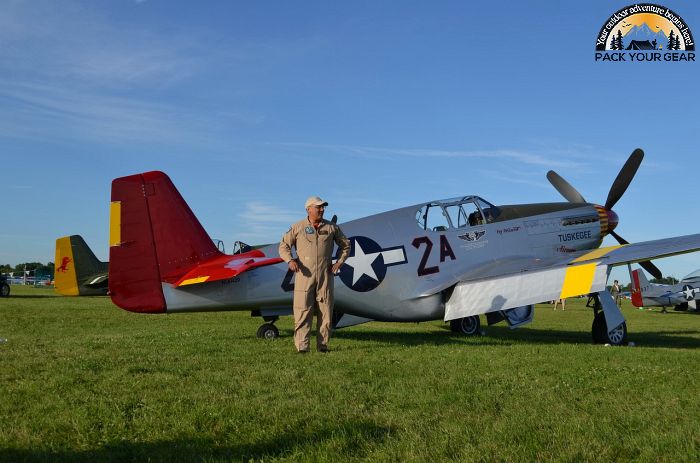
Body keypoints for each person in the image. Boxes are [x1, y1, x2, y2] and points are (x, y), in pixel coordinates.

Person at [279, 196, 351, 353]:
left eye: (323, 207)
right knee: (303, 311)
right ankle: (302, 347)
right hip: (304, 276)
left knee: (325, 311)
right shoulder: (297, 227)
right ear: (308, 209)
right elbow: (283, 246)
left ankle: (323, 346)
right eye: (318, 207)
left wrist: (339, 262)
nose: (322, 209)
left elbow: (346, 245)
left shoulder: (332, 228)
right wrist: (290, 260)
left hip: (325, 275)